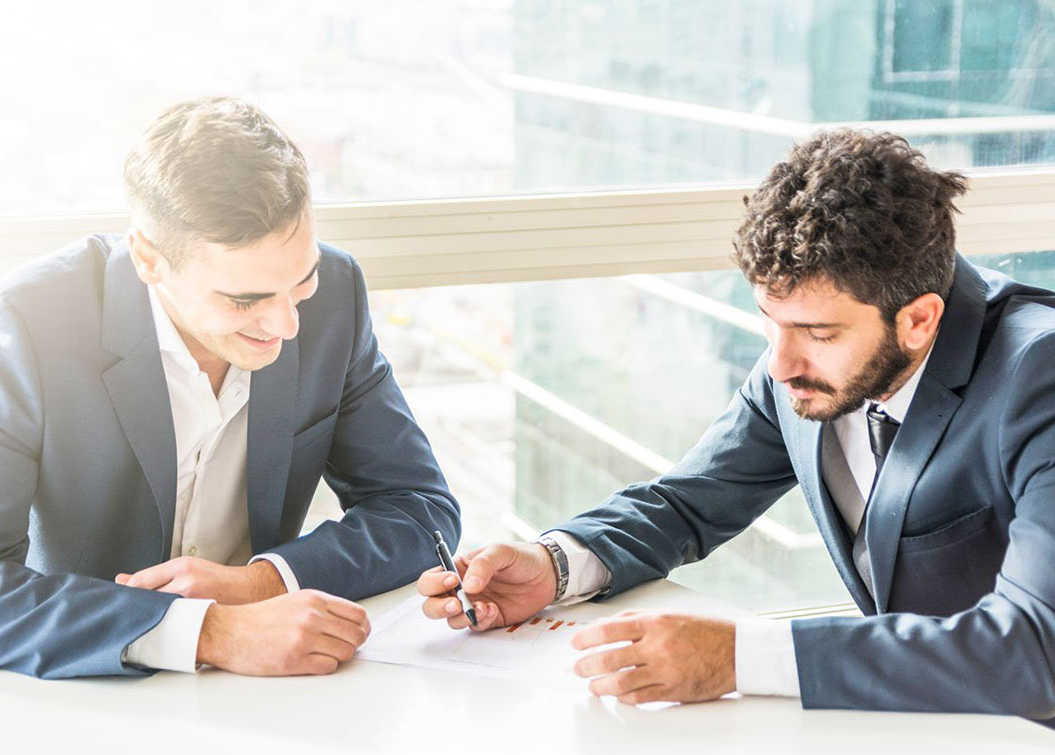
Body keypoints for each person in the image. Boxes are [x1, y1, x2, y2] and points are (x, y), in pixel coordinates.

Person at [418, 129, 1055, 720]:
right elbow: (687, 504)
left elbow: (1037, 645)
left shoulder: (1039, 376)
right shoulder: (805, 364)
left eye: (818, 332)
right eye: (769, 321)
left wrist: (737, 657)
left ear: (918, 320)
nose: (779, 363)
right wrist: (552, 565)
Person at [0, 96, 460, 679]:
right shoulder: (25, 324)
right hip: (77, 689)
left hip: (270, 692)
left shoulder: (336, 294)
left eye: (299, 281)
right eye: (245, 299)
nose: (287, 326)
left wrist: (259, 583)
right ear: (149, 259)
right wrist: (210, 631)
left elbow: (419, 509)